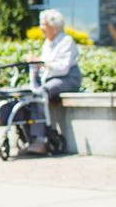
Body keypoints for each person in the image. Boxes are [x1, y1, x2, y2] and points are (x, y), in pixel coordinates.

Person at [24, 9, 82, 153]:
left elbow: (63, 68)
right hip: (50, 79)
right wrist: (36, 65)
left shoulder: (66, 41)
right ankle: (28, 136)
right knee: (27, 93)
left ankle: (41, 139)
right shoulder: (47, 43)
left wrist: (42, 62)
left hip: (68, 79)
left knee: (40, 93)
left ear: (53, 27)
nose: (41, 28)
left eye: (43, 25)